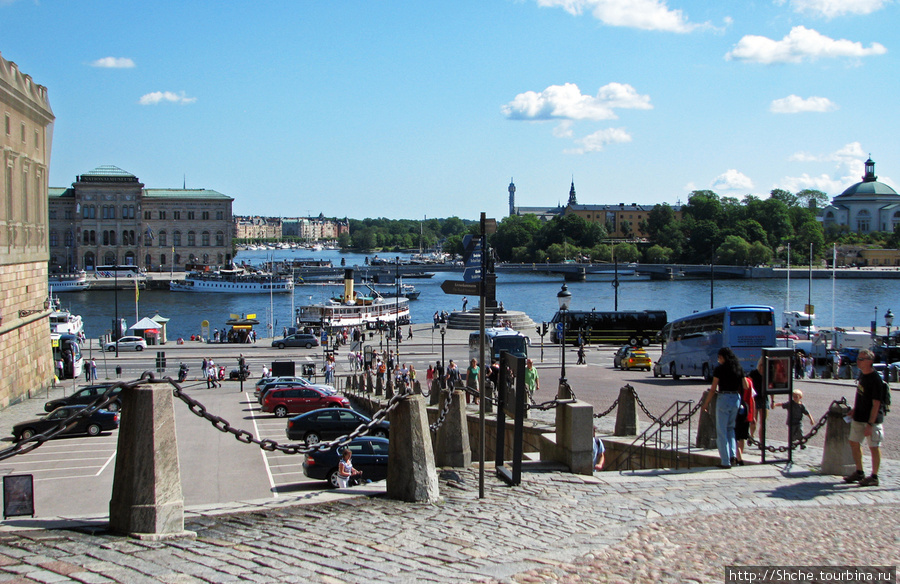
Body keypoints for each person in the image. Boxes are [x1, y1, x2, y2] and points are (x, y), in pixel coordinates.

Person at [844, 349, 888, 487]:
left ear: (869, 361)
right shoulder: (863, 375)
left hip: (872, 420)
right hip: (859, 417)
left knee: (874, 446)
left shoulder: (876, 380)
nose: (858, 361)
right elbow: (862, 396)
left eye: (861, 359)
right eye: (858, 358)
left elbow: (876, 404)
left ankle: (874, 476)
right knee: (853, 442)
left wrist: (870, 423)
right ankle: (859, 471)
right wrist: (855, 410)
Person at [701, 347, 749, 469]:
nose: (718, 360)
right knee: (731, 429)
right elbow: (746, 385)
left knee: (721, 431)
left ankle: (725, 461)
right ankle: (733, 455)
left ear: (722, 357)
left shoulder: (719, 369)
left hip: (724, 398)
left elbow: (713, 389)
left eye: (719, 358)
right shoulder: (738, 367)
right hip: (736, 399)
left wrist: (706, 404)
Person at [734, 372, 756, 465]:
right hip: (746, 413)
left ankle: (738, 458)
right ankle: (740, 455)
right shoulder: (749, 382)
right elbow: (752, 399)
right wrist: (753, 415)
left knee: (735, 437)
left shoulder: (734, 383)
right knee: (742, 437)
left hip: (736, 413)